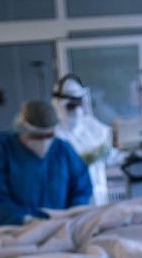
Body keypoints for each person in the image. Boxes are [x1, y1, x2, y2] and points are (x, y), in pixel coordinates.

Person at [0, 100, 92, 229]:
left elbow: (82, 189)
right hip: (12, 233)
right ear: (21, 129)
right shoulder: (1, 151)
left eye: (49, 135)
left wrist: (72, 216)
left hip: (59, 230)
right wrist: (25, 220)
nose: (44, 141)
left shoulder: (63, 151)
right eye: (37, 136)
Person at [51, 74, 119, 206]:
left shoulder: (91, 126)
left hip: (100, 195)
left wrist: (122, 156)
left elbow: (109, 154)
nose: (76, 110)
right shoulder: (55, 135)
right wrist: (82, 161)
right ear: (59, 105)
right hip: (73, 199)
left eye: (79, 104)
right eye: (71, 106)